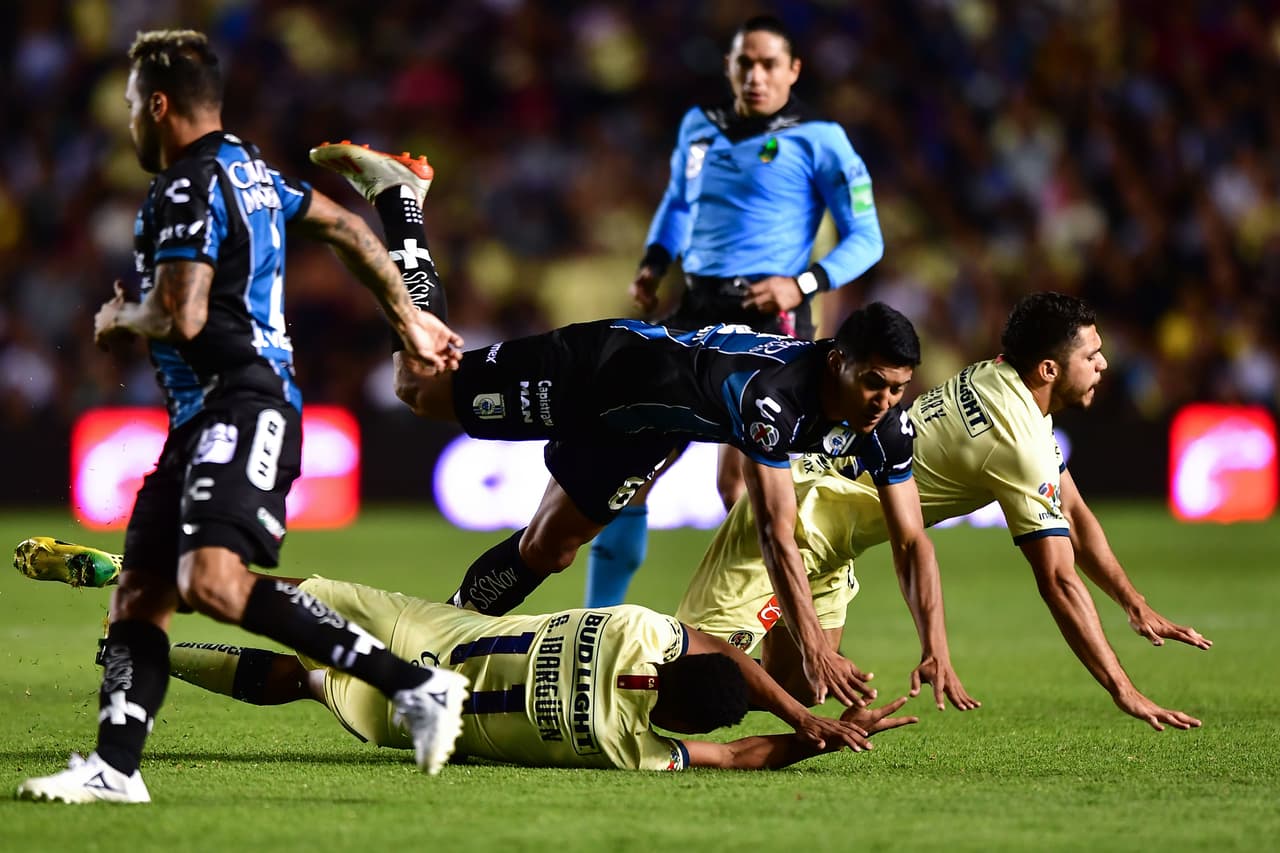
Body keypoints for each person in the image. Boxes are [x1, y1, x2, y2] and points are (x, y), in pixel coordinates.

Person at [16, 31, 470, 806]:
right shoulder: (252, 171)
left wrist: (121, 316)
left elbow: (184, 313)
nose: (126, 120)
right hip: (204, 418)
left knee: (215, 584)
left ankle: (413, 685)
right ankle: (115, 767)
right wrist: (411, 321)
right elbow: (351, 229)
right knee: (141, 592)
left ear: (157, 105)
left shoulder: (186, 187)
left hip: (241, 406)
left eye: (129, 105)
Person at [677, 292, 1211, 730]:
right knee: (687, 679)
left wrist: (1133, 604)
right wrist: (1125, 690)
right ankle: (613, 684)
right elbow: (1059, 580)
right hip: (791, 522)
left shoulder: (1002, 380)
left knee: (801, 689)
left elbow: (1073, 511)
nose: (1103, 364)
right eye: (1091, 355)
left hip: (836, 543)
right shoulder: (1018, 437)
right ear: (1049, 368)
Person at [11, 545, 915, 770]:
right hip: (427, 700)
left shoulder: (643, 627)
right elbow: (739, 752)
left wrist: (798, 709)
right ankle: (137, 644)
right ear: (673, 711)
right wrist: (818, 736)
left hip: (432, 631)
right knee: (296, 679)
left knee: (283, 593)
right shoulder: (625, 743)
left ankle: (139, 574)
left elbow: (718, 648)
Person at [588, 14, 886, 609]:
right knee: (631, 466)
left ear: (793, 70)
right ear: (729, 67)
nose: (755, 76)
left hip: (769, 322)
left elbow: (867, 237)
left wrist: (801, 283)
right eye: (744, 63)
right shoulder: (699, 128)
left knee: (741, 486)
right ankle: (598, 625)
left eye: (769, 64)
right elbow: (678, 202)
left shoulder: (821, 139)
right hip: (696, 307)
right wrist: (653, 262)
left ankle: (790, 626)